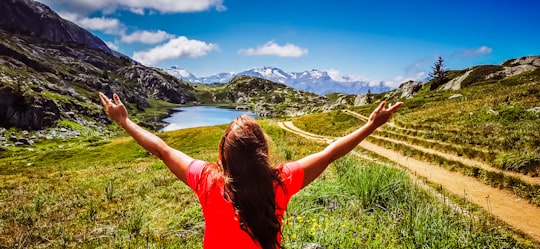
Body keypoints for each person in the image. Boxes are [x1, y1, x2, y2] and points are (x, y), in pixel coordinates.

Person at [98, 92, 402, 249]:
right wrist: (371, 125)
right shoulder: (282, 180)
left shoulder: (206, 179)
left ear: (223, 153)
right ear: (262, 151)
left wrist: (124, 121)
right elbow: (329, 153)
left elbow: (162, 150)